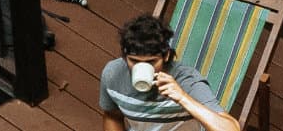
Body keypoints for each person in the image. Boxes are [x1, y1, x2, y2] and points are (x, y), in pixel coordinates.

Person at [100, 15, 240, 131]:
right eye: (134, 61)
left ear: (166, 55)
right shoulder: (113, 74)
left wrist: (182, 97)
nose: (142, 67)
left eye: (151, 62)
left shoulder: (187, 81)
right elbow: (112, 116)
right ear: (124, 56)